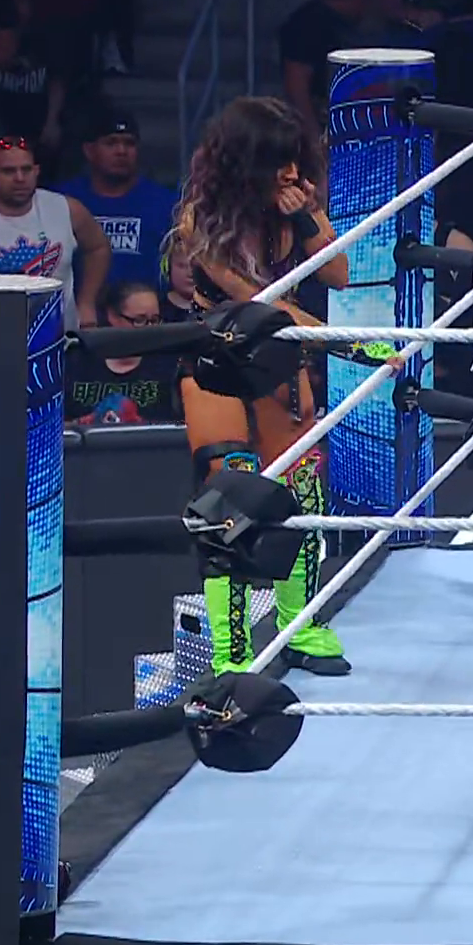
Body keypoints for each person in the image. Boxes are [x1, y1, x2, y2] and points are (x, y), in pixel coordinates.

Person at [168, 97, 351, 679]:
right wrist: (353, 344)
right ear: (245, 164)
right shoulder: (202, 220)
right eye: (278, 162)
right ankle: (232, 655)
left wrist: (307, 216)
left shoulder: (294, 207)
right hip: (217, 353)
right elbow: (258, 303)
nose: (291, 172)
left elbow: (337, 273)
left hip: (280, 357)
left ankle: (302, 624)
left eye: (295, 158)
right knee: (229, 491)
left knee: (301, 483)